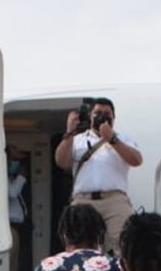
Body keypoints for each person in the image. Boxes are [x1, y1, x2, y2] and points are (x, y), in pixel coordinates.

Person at [54, 97, 143, 251]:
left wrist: (112, 139)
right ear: (90, 116)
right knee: (78, 245)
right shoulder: (77, 140)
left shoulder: (123, 139)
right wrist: (69, 133)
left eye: (107, 114)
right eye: (98, 113)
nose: (102, 116)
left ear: (114, 118)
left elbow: (136, 160)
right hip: (83, 199)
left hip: (114, 199)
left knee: (123, 244)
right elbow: (61, 161)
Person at [7, 144, 31, 271]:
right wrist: (22, 176)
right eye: (14, 160)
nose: (16, 164)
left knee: (15, 264)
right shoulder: (0, 176)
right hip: (9, 227)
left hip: (17, 227)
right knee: (10, 265)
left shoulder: (9, 177)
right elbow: (12, 193)